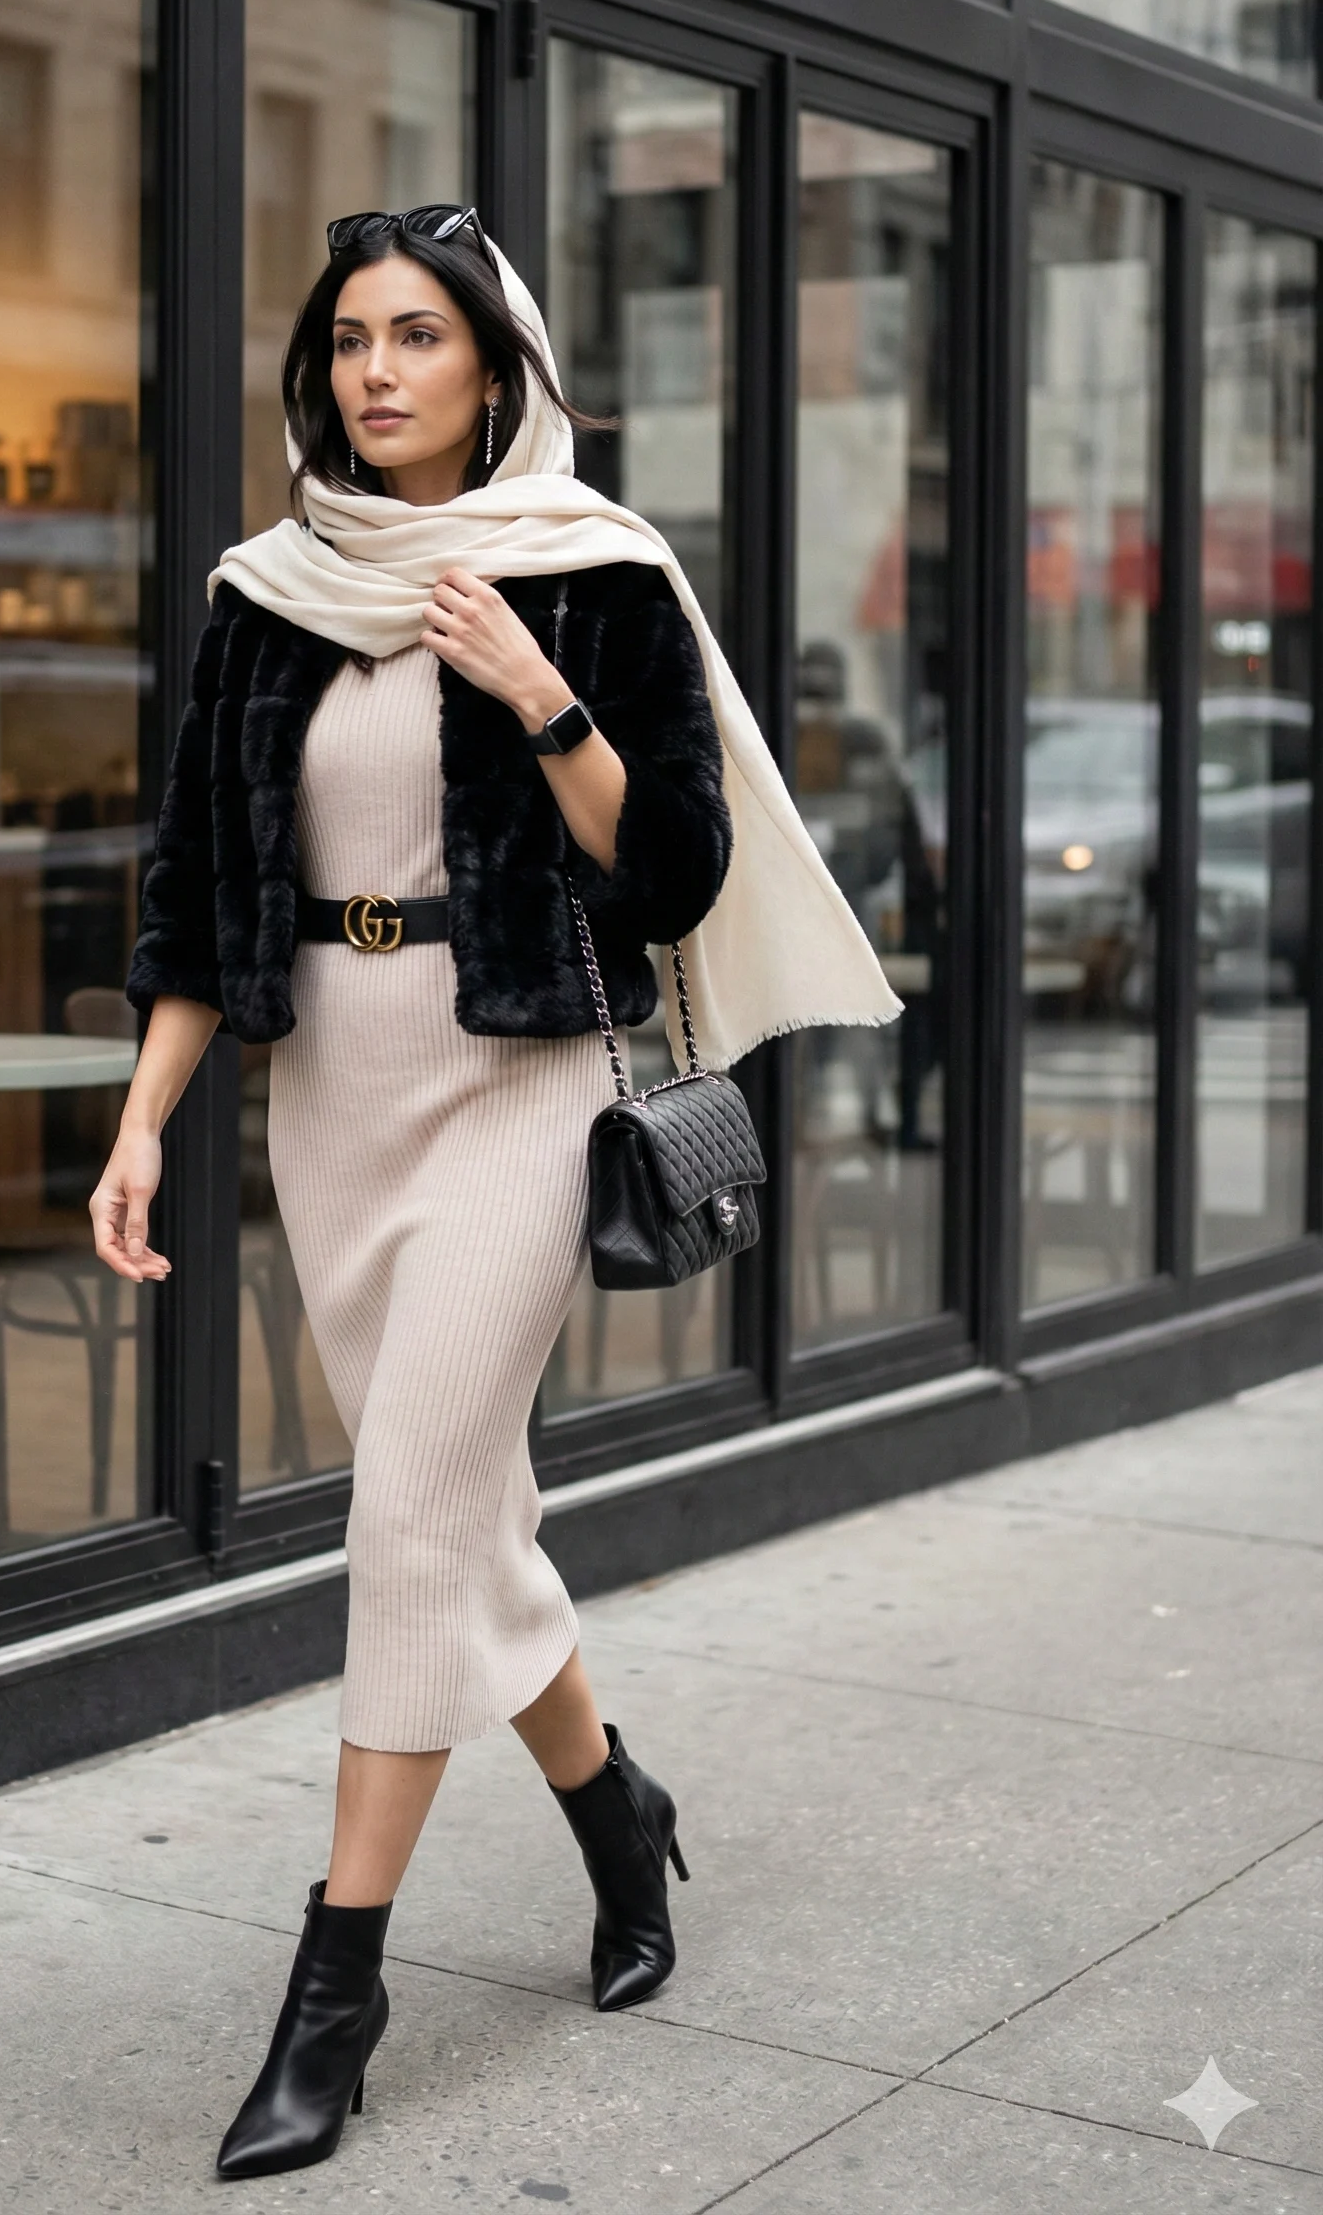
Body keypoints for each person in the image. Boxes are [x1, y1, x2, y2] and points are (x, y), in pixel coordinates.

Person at [90, 204, 898, 2181]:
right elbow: (203, 885)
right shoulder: (270, 592)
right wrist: (141, 1116)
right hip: (335, 1100)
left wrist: (540, 694)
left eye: (417, 339)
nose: (376, 373)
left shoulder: (589, 568)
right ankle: (616, 1810)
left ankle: (331, 1997)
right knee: (461, 1526)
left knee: (401, 1523)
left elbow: (676, 875)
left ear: (493, 367)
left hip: (522, 1077)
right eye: (351, 339)